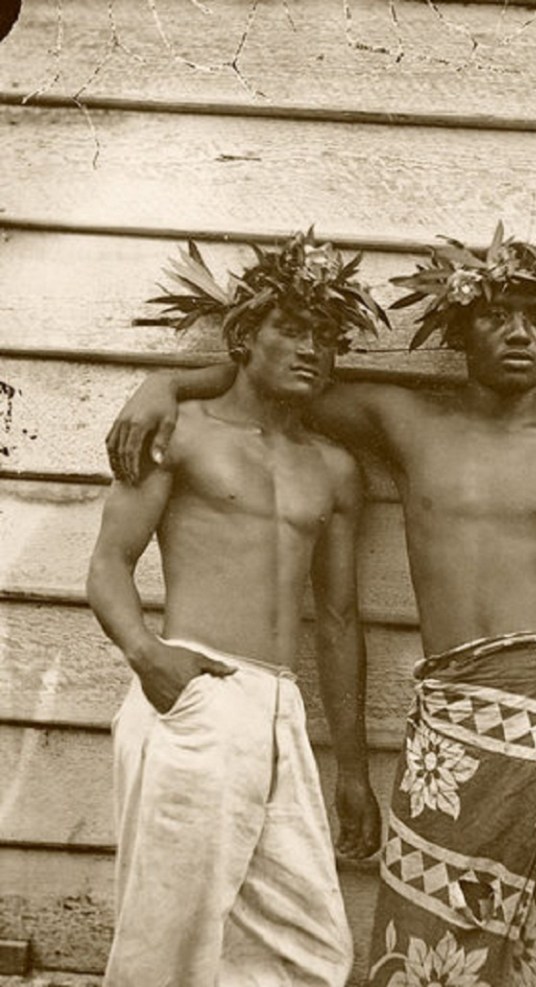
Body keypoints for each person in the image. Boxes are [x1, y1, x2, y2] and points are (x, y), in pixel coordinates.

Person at [107, 223, 536, 987]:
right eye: (498, 314)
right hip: (453, 720)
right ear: (461, 327)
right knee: (420, 935)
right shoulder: (408, 422)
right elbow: (281, 380)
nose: (520, 332)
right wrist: (165, 383)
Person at [88, 231, 384, 987]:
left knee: (310, 945)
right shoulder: (181, 432)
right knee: (167, 938)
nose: (312, 348)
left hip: (280, 710)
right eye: (293, 328)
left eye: (325, 335)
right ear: (246, 336)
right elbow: (109, 566)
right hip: (196, 690)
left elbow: (342, 621)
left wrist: (352, 766)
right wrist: (149, 657)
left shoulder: (335, 467)